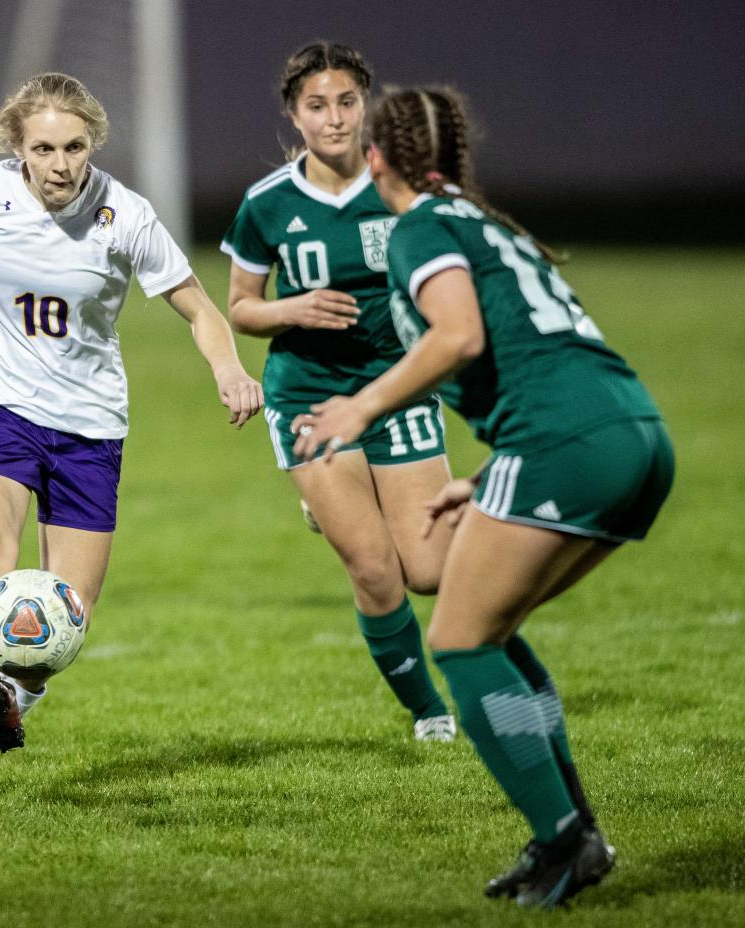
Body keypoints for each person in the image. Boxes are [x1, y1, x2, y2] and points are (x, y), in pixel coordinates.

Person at [293, 86, 674, 908]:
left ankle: (569, 839)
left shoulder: (421, 225)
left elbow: (459, 335)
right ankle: (563, 835)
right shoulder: (485, 220)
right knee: (492, 629)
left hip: (564, 442)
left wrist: (361, 406)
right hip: (628, 434)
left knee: (462, 643)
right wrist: (490, 474)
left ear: (377, 158)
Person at [0, 72, 263, 800]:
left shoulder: (125, 214)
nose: (62, 164)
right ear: (17, 146)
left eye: (75, 147)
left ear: (93, 142)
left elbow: (200, 310)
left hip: (89, 426)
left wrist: (229, 369)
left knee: (60, 628)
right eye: (44, 148)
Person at [221, 43, 458, 743]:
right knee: (375, 568)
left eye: (347, 102)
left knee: (430, 571)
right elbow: (240, 306)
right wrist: (290, 310)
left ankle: (331, 502)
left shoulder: (407, 186)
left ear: (367, 105)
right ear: (294, 115)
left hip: (396, 390)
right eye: (317, 106)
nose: (334, 119)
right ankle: (430, 712)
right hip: (311, 397)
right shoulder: (267, 205)